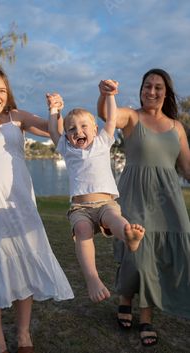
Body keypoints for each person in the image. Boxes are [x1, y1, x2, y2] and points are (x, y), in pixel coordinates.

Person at [0, 67, 74, 353]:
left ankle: (23, 334)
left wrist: (56, 110)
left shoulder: (16, 118)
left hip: (20, 207)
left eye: (2, 90)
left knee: (24, 265)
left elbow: (51, 129)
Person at [97, 68, 190, 347]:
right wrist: (105, 95)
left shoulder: (176, 127)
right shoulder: (131, 116)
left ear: (166, 92)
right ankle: (132, 306)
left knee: (164, 254)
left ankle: (139, 310)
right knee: (137, 254)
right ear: (141, 89)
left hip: (168, 200)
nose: (151, 91)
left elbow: (186, 167)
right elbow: (106, 116)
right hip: (135, 195)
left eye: (158, 87)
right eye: (147, 86)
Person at [46, 89, 145, 304]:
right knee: (82, 230)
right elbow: (53, 130)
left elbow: (111, 118)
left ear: (95, 129)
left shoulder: (102, 142)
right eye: (71, 129)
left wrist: (110, 95)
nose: (77, 131)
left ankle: (128, 237)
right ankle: (92, 278)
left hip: (105, 202)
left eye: (83, 127)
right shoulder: (66, 148)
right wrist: (54, 109)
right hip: (79, 208)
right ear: (67, 136)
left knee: (115, 219)